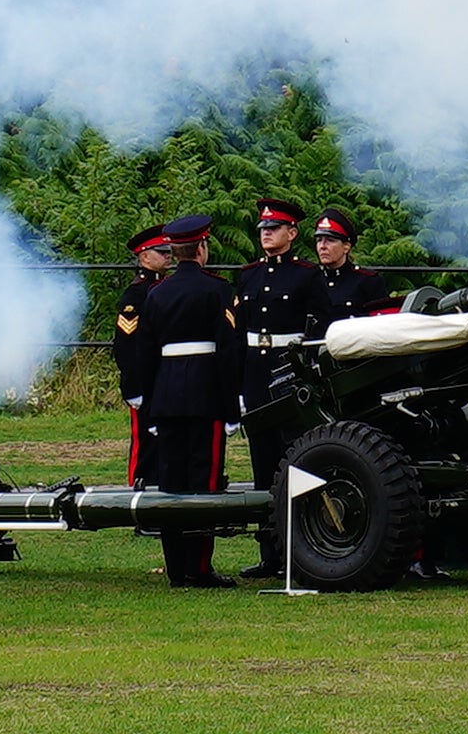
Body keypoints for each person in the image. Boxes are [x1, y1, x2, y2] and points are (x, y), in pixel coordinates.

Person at [116, 215, 248, 588]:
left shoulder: (157, 294)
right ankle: (199, 567)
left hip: (168, 396)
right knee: (203, 482)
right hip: (206, 394)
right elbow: (228, 349)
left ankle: (176, 568)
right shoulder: (218, 290)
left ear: (174, 252)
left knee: (172, 483)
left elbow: (146, 351)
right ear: (202, 249)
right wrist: (231, 401)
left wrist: (150, 399)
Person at [226, 202, 330, 580]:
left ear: (291, 234)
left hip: (290, 373)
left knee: (298, 457)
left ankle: (304, 550)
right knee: (262, 464)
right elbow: (239, 335)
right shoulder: (248, 275)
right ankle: (269, 553)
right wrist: (238, 386)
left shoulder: (306, 276)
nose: (266, 233)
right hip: (256, 372)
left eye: (275, 228)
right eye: (263, 228)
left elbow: (322, 327)